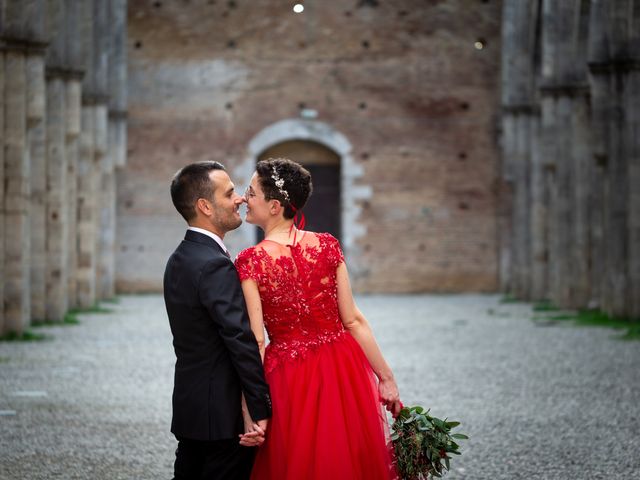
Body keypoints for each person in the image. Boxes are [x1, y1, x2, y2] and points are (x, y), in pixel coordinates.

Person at [235, 158, 401, 479]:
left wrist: (251, 409)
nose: (244, 198)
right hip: (341, 367)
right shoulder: (327, 245)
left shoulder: (251, 261)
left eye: (251, 192)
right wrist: (386, 377)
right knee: (343, 455)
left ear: (274, 206)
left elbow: (257, 340)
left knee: (297, 460)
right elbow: (353, 320)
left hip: (289, 373)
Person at [163, 161, 272, 480]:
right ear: (204, 206)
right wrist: (259, 408)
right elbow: (240, 340)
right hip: (222, 417)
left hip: (192, 408)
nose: (239, 198)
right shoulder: (214, 265)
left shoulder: (179, 258)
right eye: (229, 194)